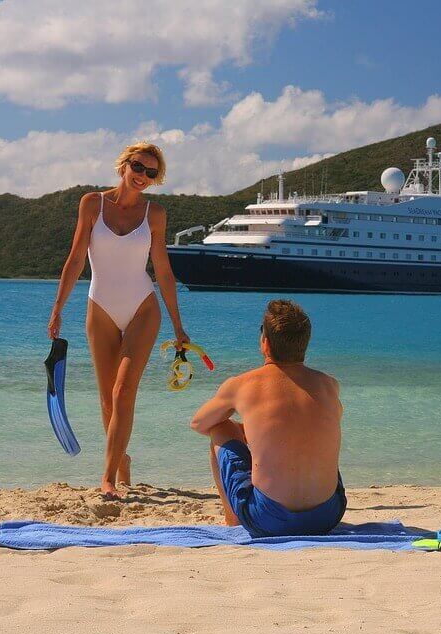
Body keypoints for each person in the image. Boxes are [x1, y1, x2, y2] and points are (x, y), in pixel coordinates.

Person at [48, 142, 189, 498]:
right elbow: (76, 258)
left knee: (124, 391)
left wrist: (177, 325)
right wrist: (58, 308)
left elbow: (163, 271)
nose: (143, 176)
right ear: (124, 165)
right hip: (101, 308)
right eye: (139, 168)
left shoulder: (154, 214)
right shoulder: (92, 204)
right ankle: (122, 460)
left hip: (143, 307)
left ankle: (107, 477)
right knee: (108, 400)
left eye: (151, 173)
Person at [190, 299, 346, 537]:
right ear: (305, 344)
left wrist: (243, 430)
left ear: (265, 343)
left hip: (267, 519)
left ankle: (232, 520)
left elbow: (199, 423)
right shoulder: (329, 385)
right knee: (314, 434)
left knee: (220, 427)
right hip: (328, 516)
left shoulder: (242, 384)